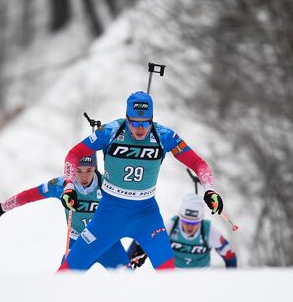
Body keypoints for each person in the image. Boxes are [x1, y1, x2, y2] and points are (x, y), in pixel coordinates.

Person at [57, 91, 225, 271]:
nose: (140, 128)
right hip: (109, 215)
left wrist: (209, 189)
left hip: (146, 215)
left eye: (145, 123)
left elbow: (198, 163)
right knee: (68, 271)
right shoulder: (111, 131)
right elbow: (74, 154)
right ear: (126, 118)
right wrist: (68, 186)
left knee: (168, 272)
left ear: (152, 119)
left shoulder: (164, 136)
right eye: (134, 123)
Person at [0, 154, 130, 269]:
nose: (84, 176)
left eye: (89, 170)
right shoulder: (61, 185)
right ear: (73, 170)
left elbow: (136, 210)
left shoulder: (108, 185)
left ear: (95, 169)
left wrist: (139, 245)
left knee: (129, 285)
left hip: (108, 243)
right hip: (77, 243)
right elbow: (30, 195)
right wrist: (1, 208)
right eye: (79, 171)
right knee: (62, 284)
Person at [127, 193, 237, 269]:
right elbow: (141, 240)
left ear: (200, 220)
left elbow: (229, 255)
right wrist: (129, 261)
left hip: (202, 279)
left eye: (194, 223)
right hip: (175, 278)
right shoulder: (171, 226)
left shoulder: (209, 231)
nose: (189, 226)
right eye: (185, 221)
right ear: (180, 217)